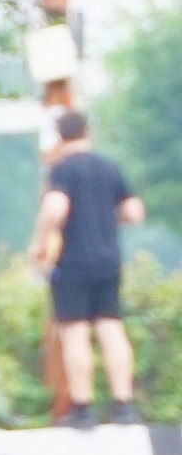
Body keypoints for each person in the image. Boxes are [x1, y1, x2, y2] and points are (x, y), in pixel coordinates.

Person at [29, 110, 145, 425]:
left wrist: (39, 243)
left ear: (60, 137)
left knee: (75, 332)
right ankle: (124, 405)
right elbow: (133, 212)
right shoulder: (109, 167)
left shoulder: (62, 169)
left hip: (73, 263)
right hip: (109, 261)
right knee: (111, 327)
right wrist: (106, 215)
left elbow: (56, 208)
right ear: (87, 132)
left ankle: (83, 407)